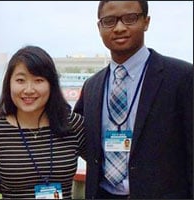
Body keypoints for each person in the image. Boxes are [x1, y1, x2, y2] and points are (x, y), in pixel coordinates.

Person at [73, 0, 193, 199]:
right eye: (109, 21)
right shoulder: (92, 86)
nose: (119, 28)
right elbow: (80, 139)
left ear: (146, 22)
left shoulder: (182, 77)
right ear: (99, 27)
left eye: (130, 18)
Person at [0, 45, 87, 199]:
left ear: (51, 84)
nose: (29, 89)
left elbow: (103, 165)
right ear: (9, 83)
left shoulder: (73, 125)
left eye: (38, 80)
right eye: (20, 80)